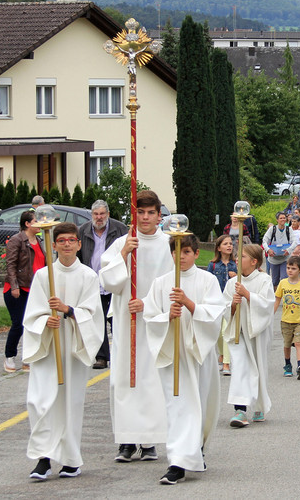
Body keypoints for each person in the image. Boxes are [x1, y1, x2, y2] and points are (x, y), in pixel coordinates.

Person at [24, 222, 104, 480]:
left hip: (73, 347)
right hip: (48, 346)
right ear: (54, 245)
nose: (67, 244)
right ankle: (43, 458)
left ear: (79, 245)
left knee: (69, 403)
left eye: (72, 240)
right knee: (40, 401)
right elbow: (31, 314)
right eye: (62, 241)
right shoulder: (43, 276)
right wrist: (45, 320)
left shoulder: (89, 277)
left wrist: (69, 311)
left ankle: (70, 460)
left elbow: (93, 315)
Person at [143, 234, 226, 485]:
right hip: (173, 354)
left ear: (196, 253)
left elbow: (214, 315)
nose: (182, 257)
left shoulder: (208, 280)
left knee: (199, 404)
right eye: (177, 252)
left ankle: (195, 448)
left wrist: (189, 303)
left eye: (187, 252)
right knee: (178, 406)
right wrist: (167, 316)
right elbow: (150, 315)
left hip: (197, 353)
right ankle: (177, 463)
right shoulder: (160, 283)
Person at [99, 190, 174, 463]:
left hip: (154, 321)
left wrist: (147, 303)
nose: (145, 218)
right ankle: (127, 440)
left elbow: (173, 283)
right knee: (124, 378)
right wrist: (123, 254)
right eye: (140, 212)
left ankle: (150, 440)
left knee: (151, 380)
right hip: (125, 321)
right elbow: (108, 281)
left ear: (158, 215)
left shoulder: (169, 244)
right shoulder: (122, 242)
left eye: (150, 212)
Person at [223, 244, 275, 427]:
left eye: (242, 257)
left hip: (257, 331)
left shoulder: (264, 280)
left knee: (258, 366)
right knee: (241, 366)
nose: (237, 259)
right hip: (239, 332)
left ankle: (259, 404)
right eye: (237, 256)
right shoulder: (232, 283)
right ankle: (240, 410)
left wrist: (248, 295)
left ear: (254, 262)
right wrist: (233, 305)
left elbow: (268, 304)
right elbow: (223, 309)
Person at [77, 199, 128, 369]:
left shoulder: (120, 229)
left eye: (102, 214)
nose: (99, 217)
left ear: (108, 214)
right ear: (91, 215)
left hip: (115, 283)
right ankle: (101, 357)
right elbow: (79, 256)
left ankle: (122, 355)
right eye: (95, 214)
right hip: (92, 284)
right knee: (97, 322)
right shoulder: (83, 231)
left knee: (117, 320)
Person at [2, 210, 45, 373]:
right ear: (27, 224)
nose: (39, 224)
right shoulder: (17, 240)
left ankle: (28, 358)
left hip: (35, 289)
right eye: (36, 221)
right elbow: (11, 264)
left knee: (32, 325)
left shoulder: (40, 241)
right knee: (19, 323)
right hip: (19, 289)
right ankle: (9, 356)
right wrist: (14, 286)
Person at [273, 256, 300, 380]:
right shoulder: (283, 283)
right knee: (287, 344)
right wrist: (271, 313)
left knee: (298, 342)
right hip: (286, 320)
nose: (290, 271)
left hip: (299, 320)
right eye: (288, 268)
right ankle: (288, 364)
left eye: (293, 268)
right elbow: (278, 298)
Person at [207, 234, 237, 375]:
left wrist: (236, 276)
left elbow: (241, 282)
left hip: (229, 303)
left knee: (226, 331)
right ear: (219, 248)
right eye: (225, 244)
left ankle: (226, 363)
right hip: (216, 301)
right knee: (218, 332)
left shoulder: (235, 265)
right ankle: (221, 354)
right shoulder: (213, 265)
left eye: (230, 243)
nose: (229, 246)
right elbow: (207, 283)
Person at [262, 212, 296, 289]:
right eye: (281, 218)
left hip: (285, 258)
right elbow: (264, 241)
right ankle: (275, 296)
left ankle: (284, 295)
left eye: (284, 218)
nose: (283, 219)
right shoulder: (272, 229)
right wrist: (268, 250)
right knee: (274, 280)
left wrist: (289, 250)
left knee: (284, 278)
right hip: (274, 259)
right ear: (277, 220)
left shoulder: (289, 229)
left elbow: (294, 241)